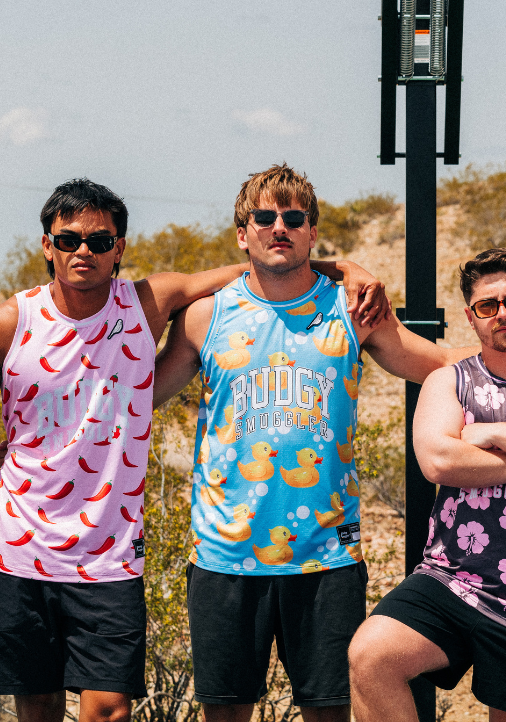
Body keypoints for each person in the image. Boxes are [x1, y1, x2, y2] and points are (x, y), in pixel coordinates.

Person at [154, 170, 506, 722]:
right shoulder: (205, 316)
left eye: (294, 218)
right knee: (224, 714)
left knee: (332, 710)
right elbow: (141, 395)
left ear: (313, 232)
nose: (279, 228)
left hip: (324, 557)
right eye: (264, 218)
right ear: (243, 233)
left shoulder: (352, 308)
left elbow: (433, 359)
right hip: (224, 555)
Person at [0, 177, 384, 722]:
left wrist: (345, 270)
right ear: (46, 244)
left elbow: (257, 268)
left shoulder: (144, 304)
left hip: (109, 556)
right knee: (35, 704)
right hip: (20, 543)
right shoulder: (15, 319)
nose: (83, 250)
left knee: (107, 710)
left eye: (100, 240)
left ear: (120, 249)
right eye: (68, 240)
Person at [348, 247, 506, 722]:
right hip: (452, 578)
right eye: (487, 306)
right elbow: (440, 460)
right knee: (371, 656)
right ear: (471, 317)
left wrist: (488, 435)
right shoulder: (448, 382)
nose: (503, 313)